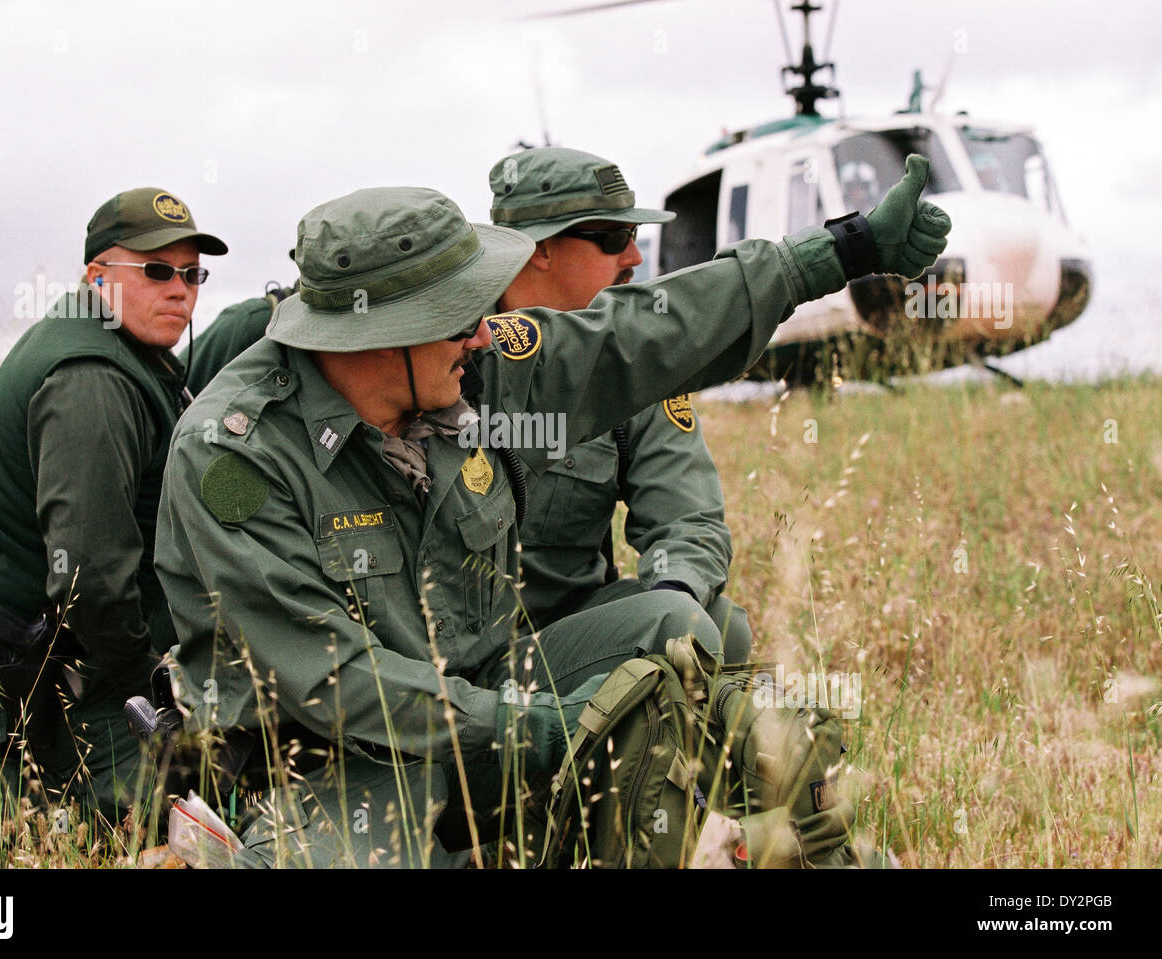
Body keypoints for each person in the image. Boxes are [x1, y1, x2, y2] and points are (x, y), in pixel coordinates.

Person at [154, 159, 949, 867]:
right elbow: (339, 681)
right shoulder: (234, 459)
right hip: (338, 753)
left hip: (479, 693)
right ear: (381, 335)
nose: (483, 334)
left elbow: (644, 334)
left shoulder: (469, 367)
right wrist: (545, 729)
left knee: (675, 633)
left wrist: (840, 252)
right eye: (461, 318)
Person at [0, 187, 227, 845]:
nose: (181, 290)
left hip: (5, 619)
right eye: (157, 271)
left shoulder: (114, 340)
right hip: (15, 635)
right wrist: (152, 693)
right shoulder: (92, 380)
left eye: (193, 273)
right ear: (97, 276)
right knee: (169, 804)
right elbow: (90, 580)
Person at [488, 146, 751, 660]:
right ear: (538, 249)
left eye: (634, 237)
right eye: (613, 237)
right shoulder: (451, 351)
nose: (634, 257)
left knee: (716, 625)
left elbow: (688, 519)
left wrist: (674, 596)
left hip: (560, 639)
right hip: (440, 654)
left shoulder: (638, 371)